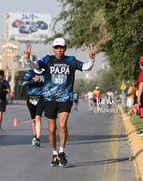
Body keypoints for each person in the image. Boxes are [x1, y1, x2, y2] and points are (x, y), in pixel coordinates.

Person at [24, 37, 96, 167]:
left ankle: (61, 151)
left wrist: (91, 58)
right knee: (52, 129)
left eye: (61, 47)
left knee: (62, 126)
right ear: (53, 49)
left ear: (65, 48)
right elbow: (34, 66)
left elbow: (87, 67)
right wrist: (28, 59)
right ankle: (54, 154)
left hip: (65, 99)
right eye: (57, 47)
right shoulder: (47, 59)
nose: (59, 50)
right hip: (49, 99)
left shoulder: (71, 60)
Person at [22, 68, 45, 146]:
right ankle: (35, 135)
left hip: (41, 98)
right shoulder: (30, 72)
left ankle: (38, 139)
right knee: (33, 120)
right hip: (31, 98)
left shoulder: (45, 73)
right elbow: (23, 83)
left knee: (38, 118)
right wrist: (33, 81)